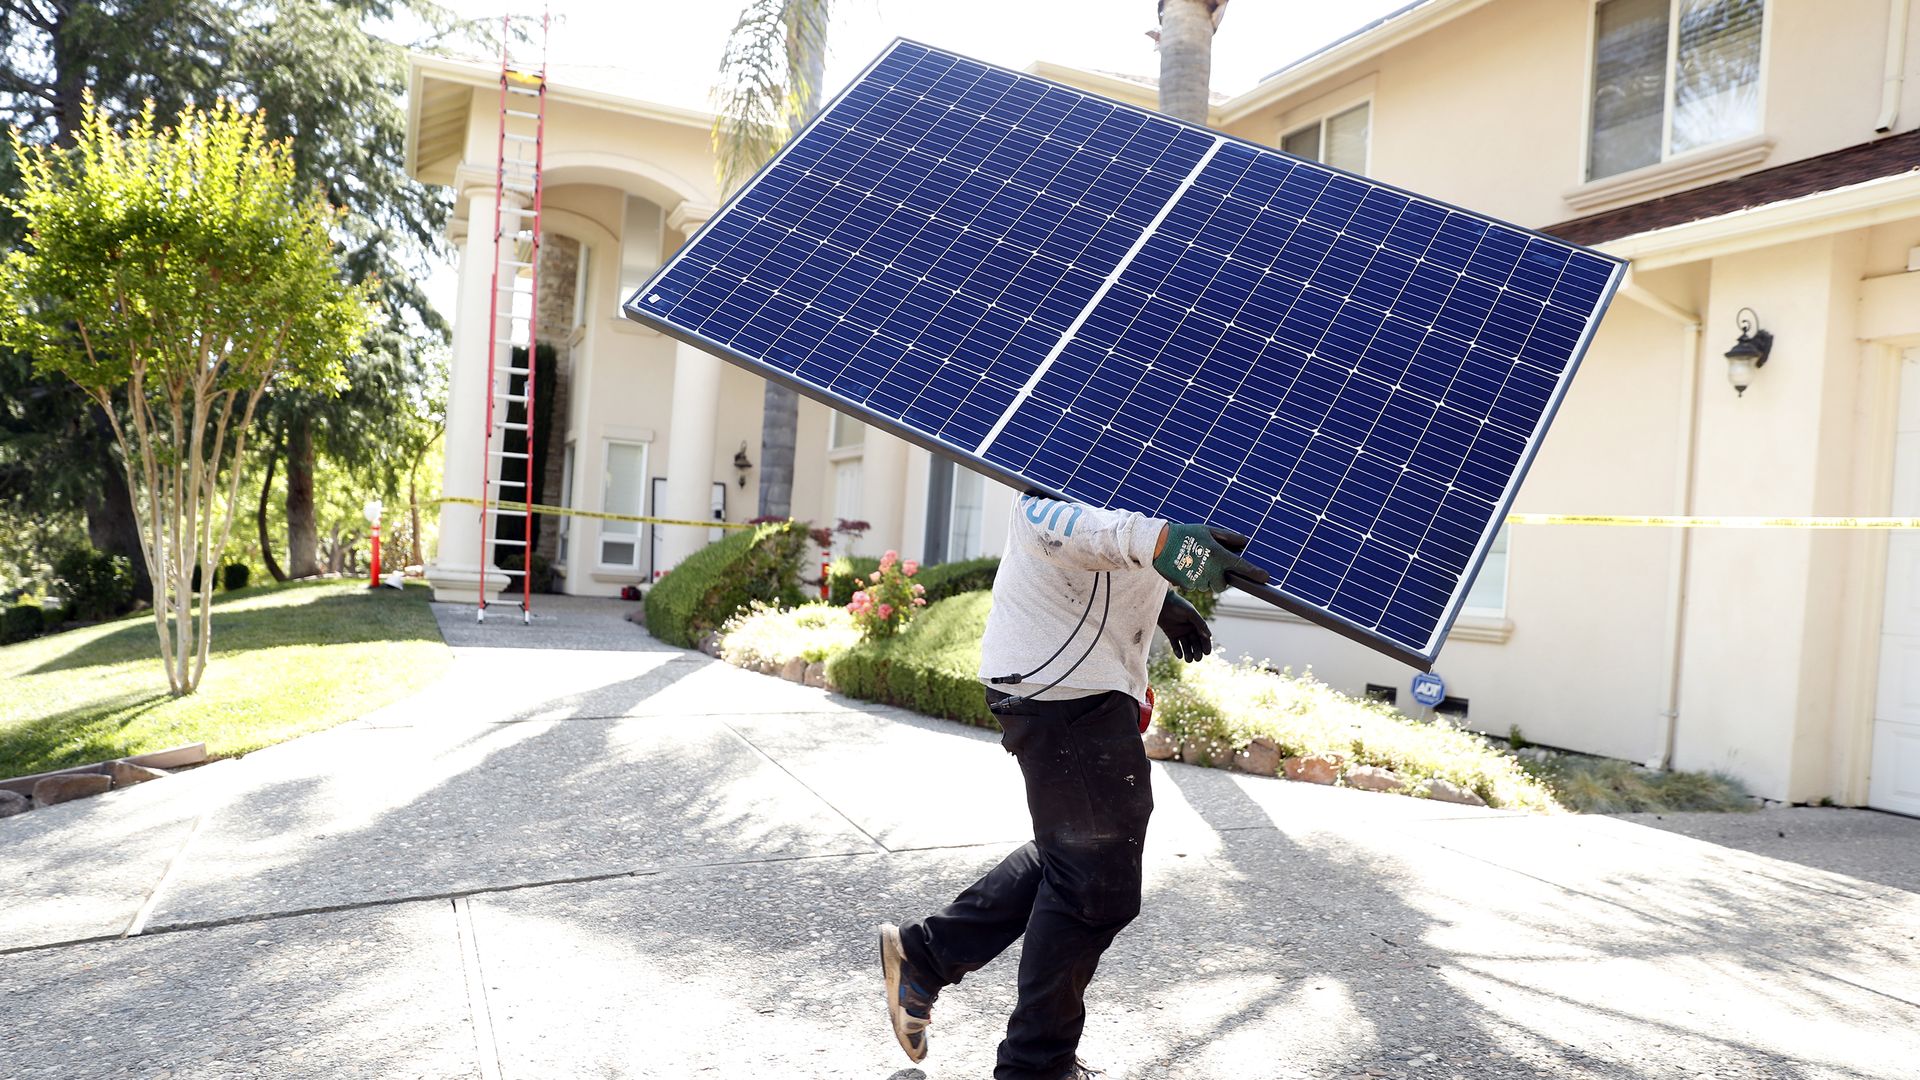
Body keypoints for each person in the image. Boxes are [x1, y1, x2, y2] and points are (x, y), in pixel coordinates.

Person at [879, 492, 1268, 1080]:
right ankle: (1035, 1067)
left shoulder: (1124, 472)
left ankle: (926, 955)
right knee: (1097, 890)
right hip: (1063, 692)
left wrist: (1161, 598)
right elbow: (1064, 527)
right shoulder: (1048, 487)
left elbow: (1114, 540)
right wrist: (1161, 549)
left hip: (1076, 688)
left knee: (1074, 854)